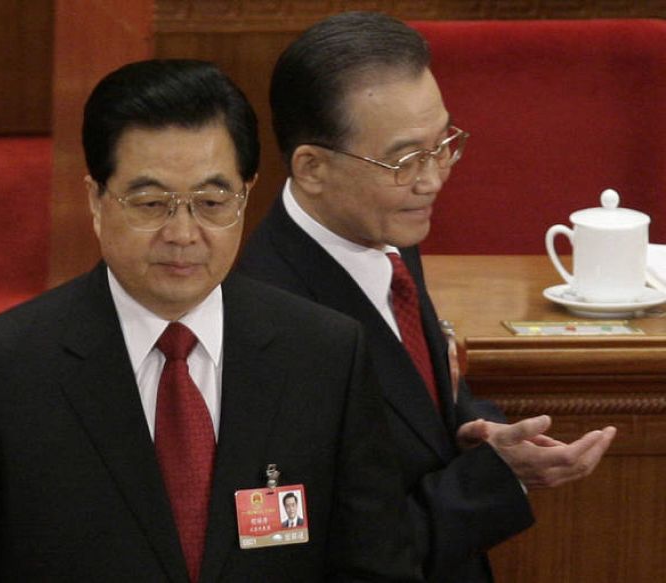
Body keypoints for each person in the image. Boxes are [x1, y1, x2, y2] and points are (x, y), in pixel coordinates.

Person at [0, 60, 421, 582]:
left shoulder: (324, 356)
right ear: (96, 200)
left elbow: (376, 567)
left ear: (246, 195)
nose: (183, 234)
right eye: (150, 204)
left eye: (211, 202)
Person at [236, 12, 617, 583]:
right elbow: (307, 556)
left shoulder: (382, 233)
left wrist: (477, 429)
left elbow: (414, 400)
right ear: (312, 168)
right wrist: (498, 478)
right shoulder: (264, 325)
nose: (433, 179)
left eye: (442, 146)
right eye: (405, 160)